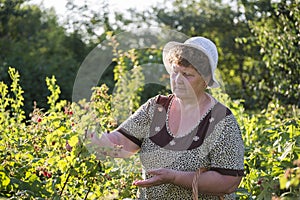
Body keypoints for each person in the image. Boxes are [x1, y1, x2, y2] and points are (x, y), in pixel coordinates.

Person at [88, 36, 245, 199]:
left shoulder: (221, 120)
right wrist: (91, 141)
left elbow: (229, 180)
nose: (178, 80)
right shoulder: (156, 108)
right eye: (175, 71)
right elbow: (122, 141)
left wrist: (175, 177)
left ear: (205, 80)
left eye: (187, 74)